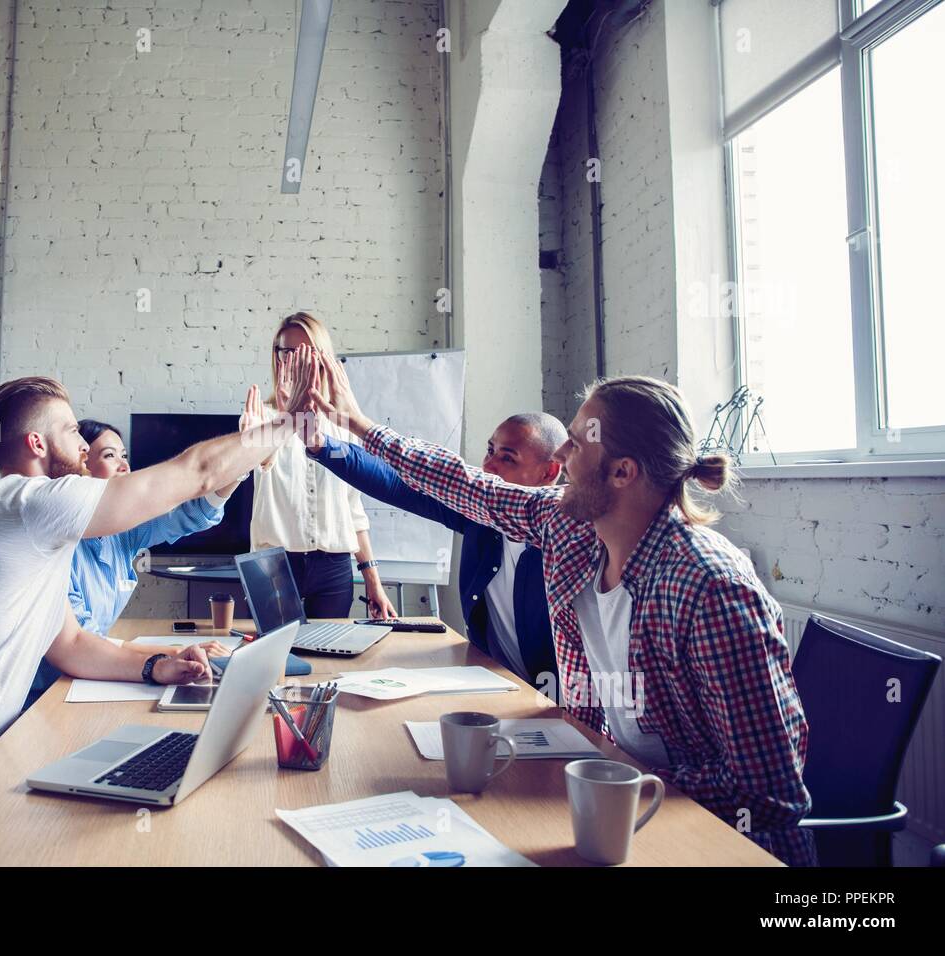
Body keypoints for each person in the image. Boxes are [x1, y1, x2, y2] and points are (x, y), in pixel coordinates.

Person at [291, 347, 816, 866]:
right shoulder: (570, 527)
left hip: (712, 841)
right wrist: (356, 423)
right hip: (613, 815)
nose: (561, 456)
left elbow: (768, 791)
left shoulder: (709, 588)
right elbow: (462, 483)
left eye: (576, 444)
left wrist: (617, 778)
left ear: (622, 473)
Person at [0, 376, 295, 863]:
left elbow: (72, 645)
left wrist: (156, 665)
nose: (84, 444)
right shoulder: (31, 503)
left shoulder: (29, 528)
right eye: (72, 431)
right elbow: (197, 471)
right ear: (37, 443)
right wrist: (287, 424)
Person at [305, 411, 566, 685]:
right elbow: (395, 484)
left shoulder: (564, 536)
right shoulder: (479, 516)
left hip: (553, 704)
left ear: (549, 471)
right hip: (496, 683)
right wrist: (320, 445)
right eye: (490, 450)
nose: (489, 466)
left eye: (507, 458)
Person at [25, 419, 235, 708]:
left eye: (124, 456)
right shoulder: (57, 545)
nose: (124, 466)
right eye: (110, 456)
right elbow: (80, 642)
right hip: (43, 696)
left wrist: (241, 469)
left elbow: (191, 514)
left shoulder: (122, 533)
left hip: (87, 679)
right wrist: (172, 655)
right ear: (80, 467)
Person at [240, 312, 396, 620]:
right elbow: (262, 462)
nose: (296, 360)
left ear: (321, 356)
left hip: (334, 568)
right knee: (274, 662)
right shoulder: (262, 415)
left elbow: (353, 508)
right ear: (277, 357)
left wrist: (372, 579)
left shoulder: (343, 423)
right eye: (288, 351)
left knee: (329, 660)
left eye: (306, 351)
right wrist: (285, 422)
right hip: (273, 566)